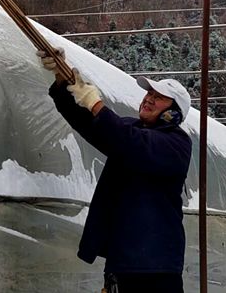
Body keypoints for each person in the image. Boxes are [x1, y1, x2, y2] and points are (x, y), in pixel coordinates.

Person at [38, 48, 192, 293]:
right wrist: (61, 79)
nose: (149, 99)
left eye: (159, 97)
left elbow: (128, 141)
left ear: (174, 112)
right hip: (123, 260)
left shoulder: (176, 143)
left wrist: (94, 102)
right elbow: (89, 124)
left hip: (155, 266)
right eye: (149, 93)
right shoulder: (131, 129)